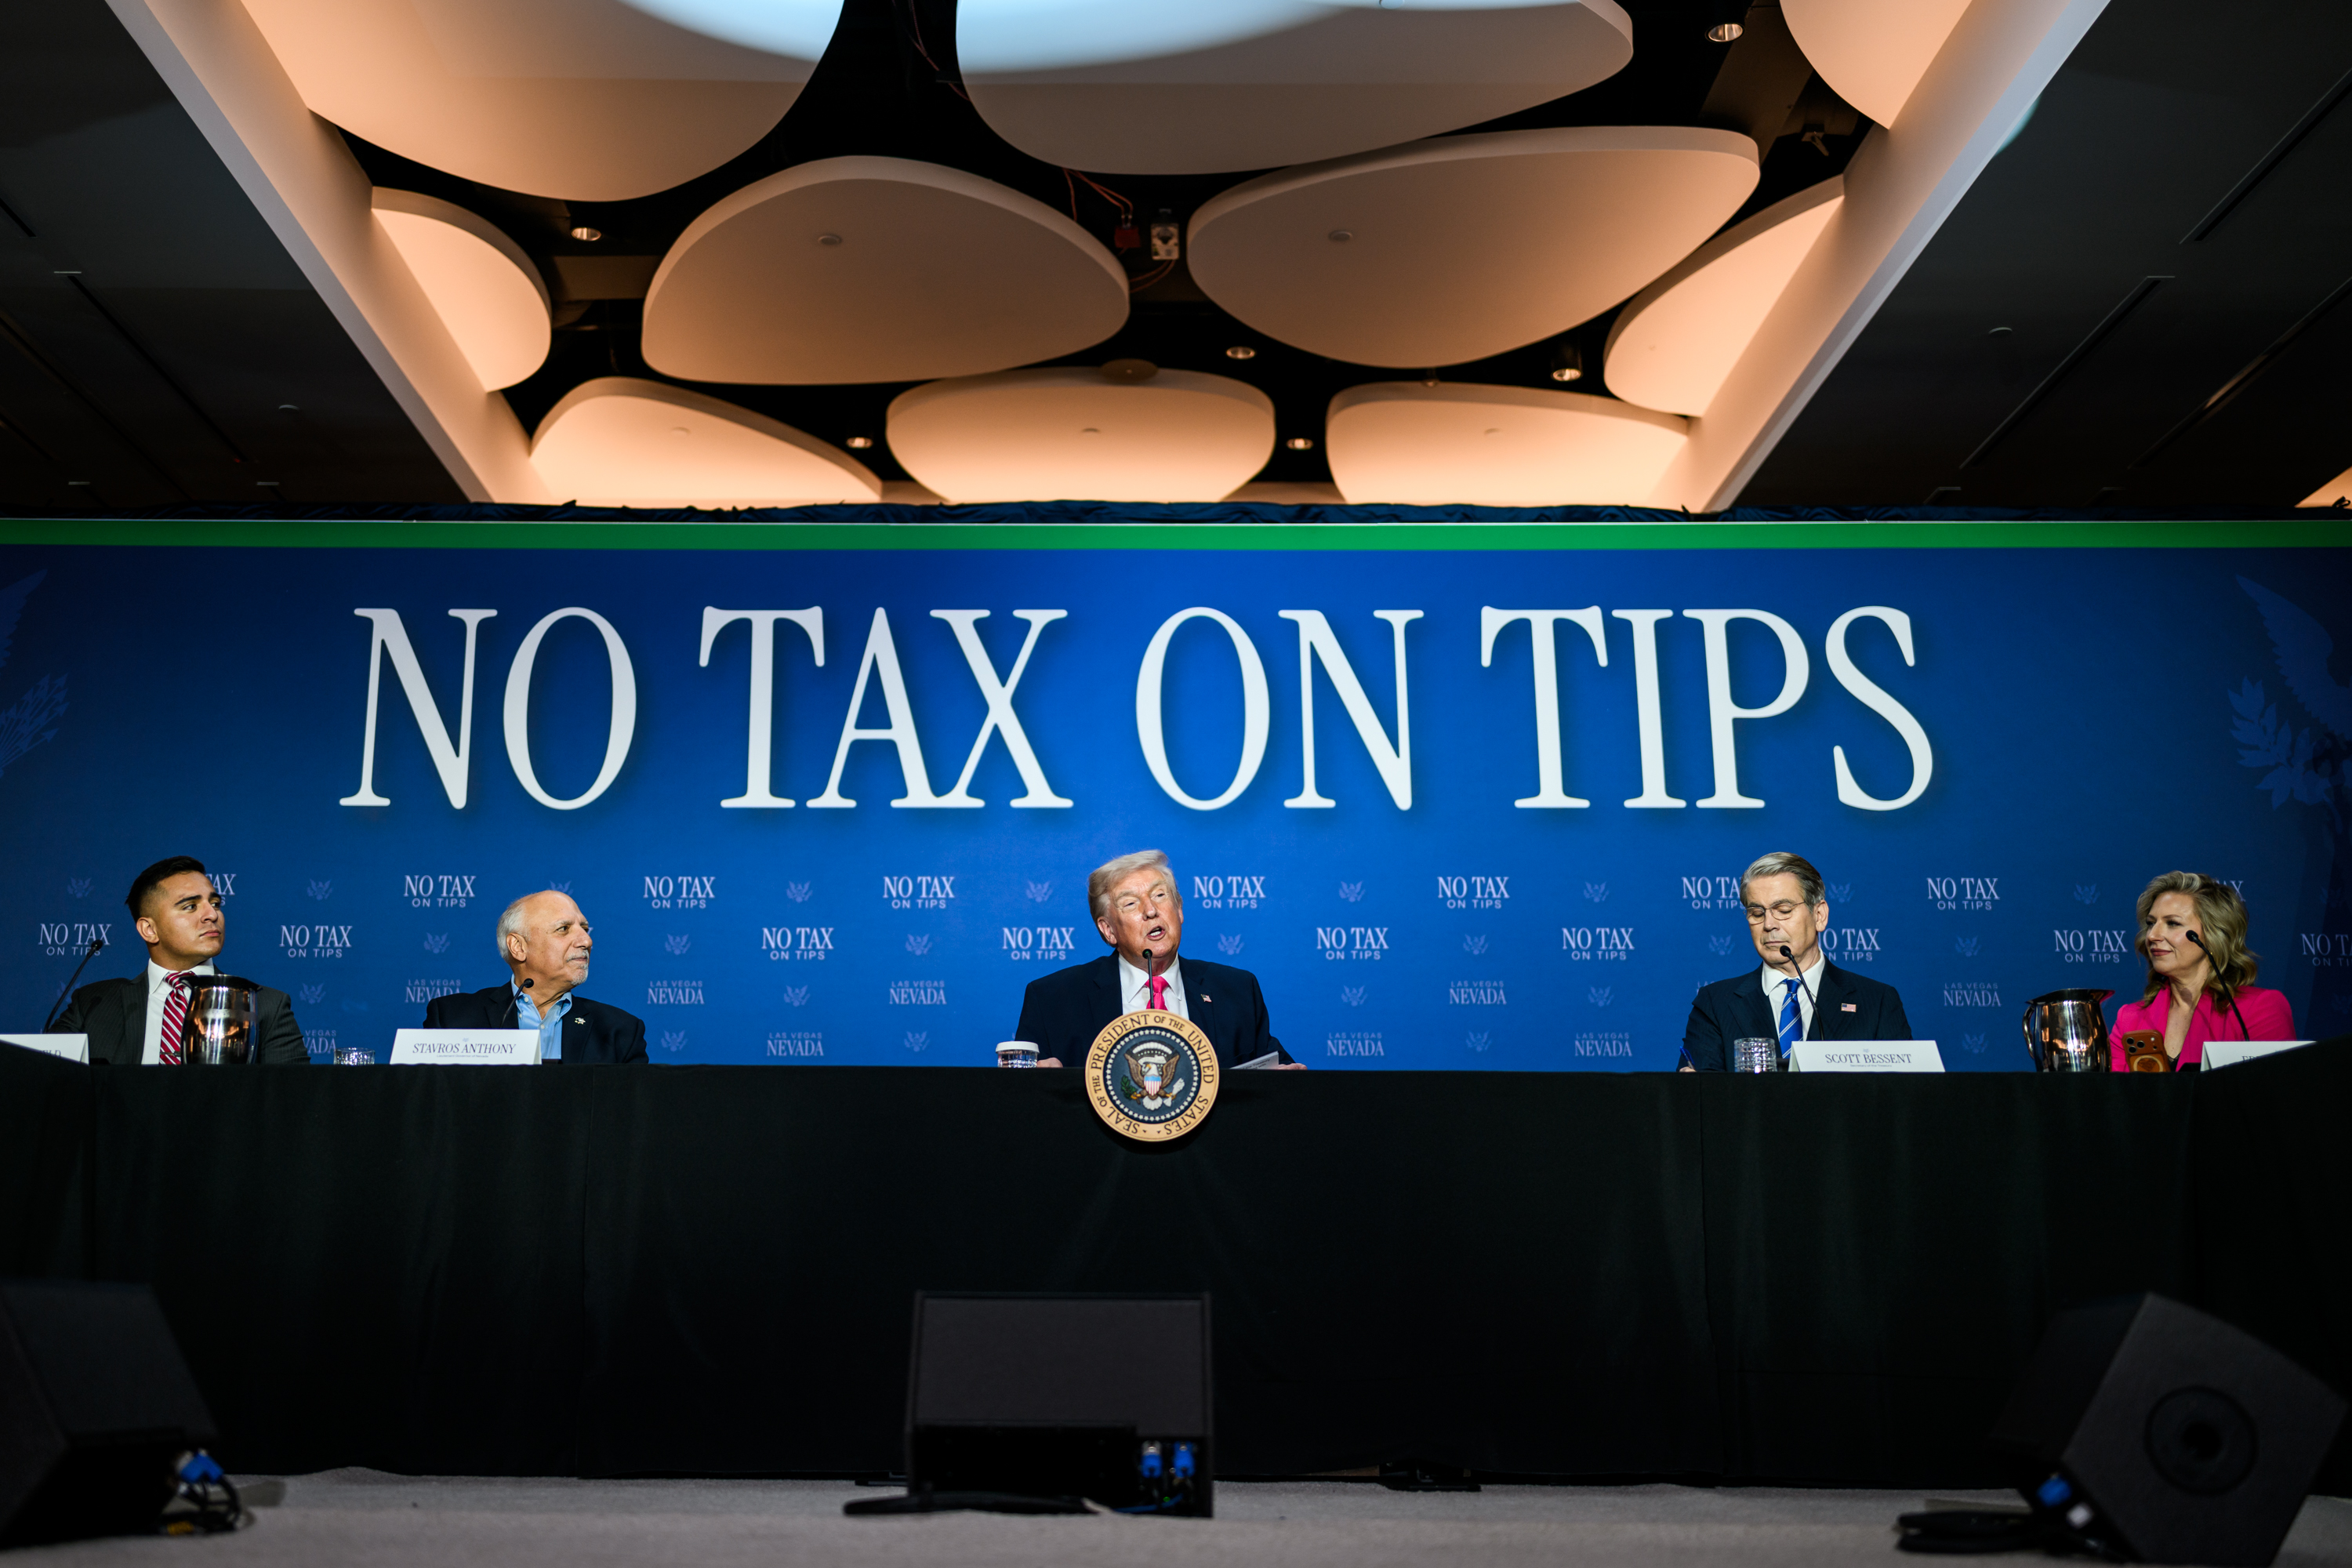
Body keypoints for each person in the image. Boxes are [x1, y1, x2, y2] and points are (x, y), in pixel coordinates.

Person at [1016, 849, 1300, 1070]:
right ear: (1108, 930)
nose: (1151, 911)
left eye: (1160, 895)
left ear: (1179, 911)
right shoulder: (1053, 999)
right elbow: (1022, 1100)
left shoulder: (1236, 990)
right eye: (1130, 903)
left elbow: (1276, 1074)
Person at [53, 855, 309, 1065]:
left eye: (215, 903)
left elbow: (291, 1101)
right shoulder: (92, 1004)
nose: (212, 914)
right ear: (149, 930)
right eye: (190, 906)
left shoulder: (266, 1006)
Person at [1681, 851, 1913, 1071]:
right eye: (1757, 913)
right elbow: (1702, 1098)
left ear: (1819, 916)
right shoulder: (1714, 1004)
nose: (1769, 924)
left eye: (1783, 909)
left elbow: (1901, 1098)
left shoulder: (1877, 1002)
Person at [423, 890, 647, 1065]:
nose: (586, 941)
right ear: (518, 947)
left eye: (585, 929)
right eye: (564, 929)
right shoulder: (452, 1019)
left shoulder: (620, 1031)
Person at [2109, 872, 2291, 1071]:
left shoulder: (2259, 1009)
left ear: (2214, 935)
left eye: (2173, 923)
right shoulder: (2130, 1018)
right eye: (2151, 923)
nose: (2153, 935)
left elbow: (2275, 1093)